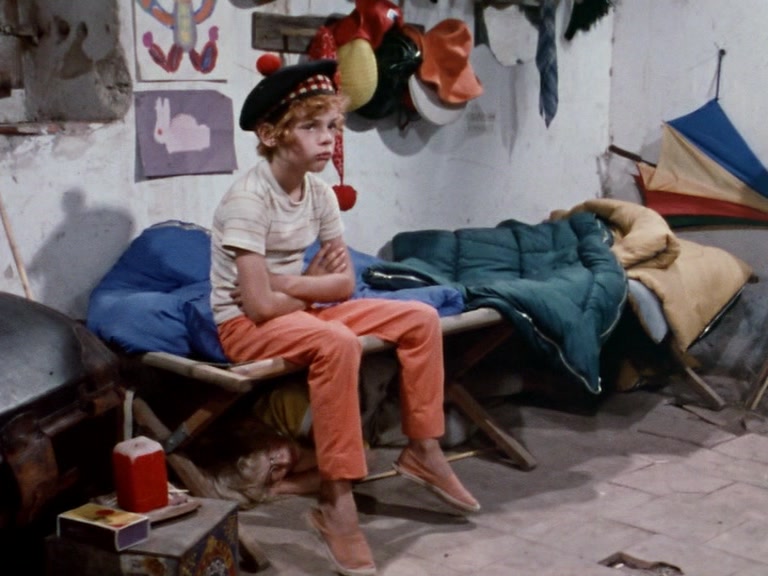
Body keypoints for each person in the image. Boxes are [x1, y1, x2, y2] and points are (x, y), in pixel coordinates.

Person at [210, 58, 479, 576]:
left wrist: (289, 283)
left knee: (419, 318)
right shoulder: (247, 200)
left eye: (332, 126)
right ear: (270, 134)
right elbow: (257, 308)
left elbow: (343, 285)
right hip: (244, 328)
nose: (327, 138)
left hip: (296, 309)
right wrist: (303, 287)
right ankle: (336, 504)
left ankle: (423, 449)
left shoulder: (319, 193)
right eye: (310, 126)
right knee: (337, 343)